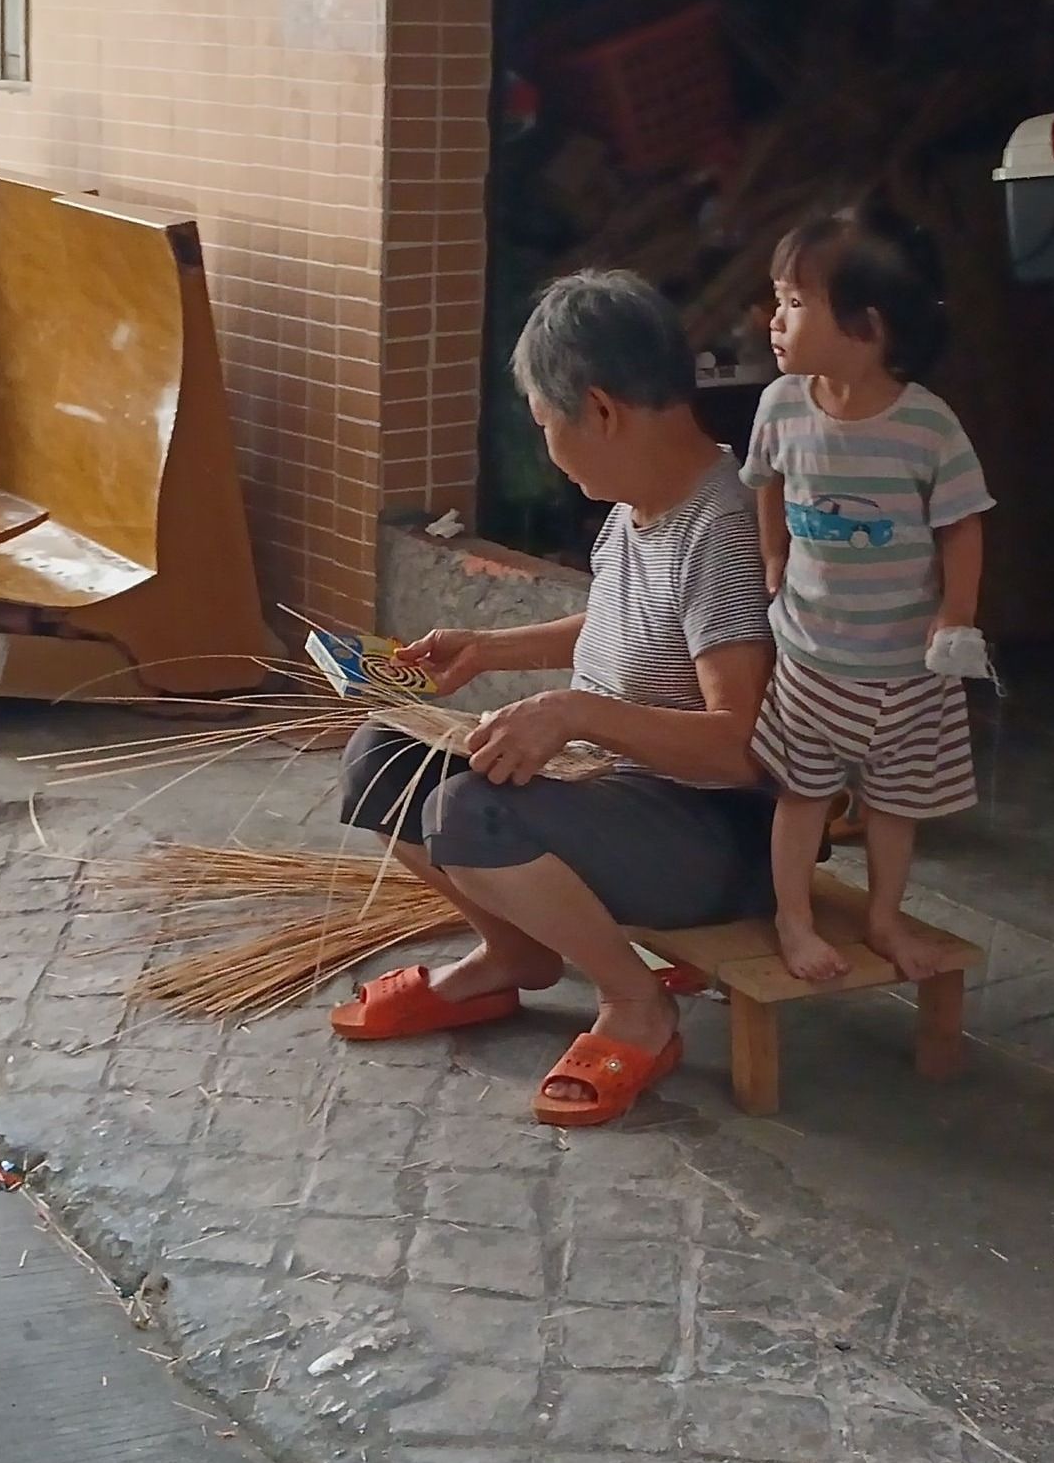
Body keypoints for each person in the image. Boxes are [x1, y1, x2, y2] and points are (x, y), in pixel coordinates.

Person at [323, 270, 776, 1129]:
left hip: (715, 835)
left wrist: (575, 713)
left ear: (599, 411)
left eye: (544, 426)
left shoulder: (720, 531)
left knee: (474, 814)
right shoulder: (639, 505)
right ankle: (512, 955)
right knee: (380, 760)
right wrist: (488, 649)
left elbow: (736, 746)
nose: (547, 450)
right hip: (620, 797)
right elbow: (618, 620)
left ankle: (636, 1005)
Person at [743, 205, 994, 987]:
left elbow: (962, 525)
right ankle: (793, 919)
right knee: (800, 795)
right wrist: (773, 555)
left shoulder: (928, 427)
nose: (774, 320)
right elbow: (765, 482)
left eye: (794, 302)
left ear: (867, 326)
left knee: (895, 806)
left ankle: (884, 918)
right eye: (778, 299)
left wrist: (956, 617)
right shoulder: (781, 406)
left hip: (908, 669)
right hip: (811, 659)